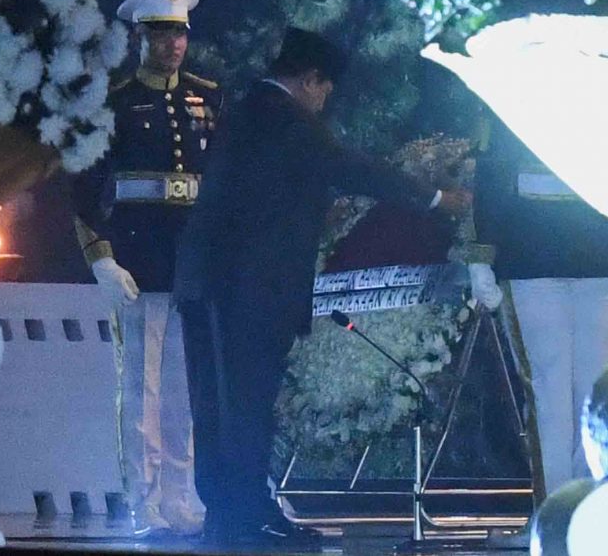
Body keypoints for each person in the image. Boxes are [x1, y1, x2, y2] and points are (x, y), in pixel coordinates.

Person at [174, 27, 470, 549]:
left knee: (220, 409)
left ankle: (231, 515)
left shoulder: (250, 112)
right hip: (246, 291)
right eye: (325, 88)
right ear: (310, 79)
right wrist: (436, 198)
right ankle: (247, 520)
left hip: (218, 287)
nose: (325, 99)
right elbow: (350, 167)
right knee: (244, 408)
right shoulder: (283, 117)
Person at [74, 0, 220, 537]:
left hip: (191, 263)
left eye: (179, 33)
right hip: (138, 260)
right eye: (162, 34)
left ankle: (180, 495)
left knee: (184, 389)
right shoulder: (116, 102)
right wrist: (101, 258)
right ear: (140, 37)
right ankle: (143, 499)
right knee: (141, 389)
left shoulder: (207, 98)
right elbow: (85, 189)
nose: (173, 44)